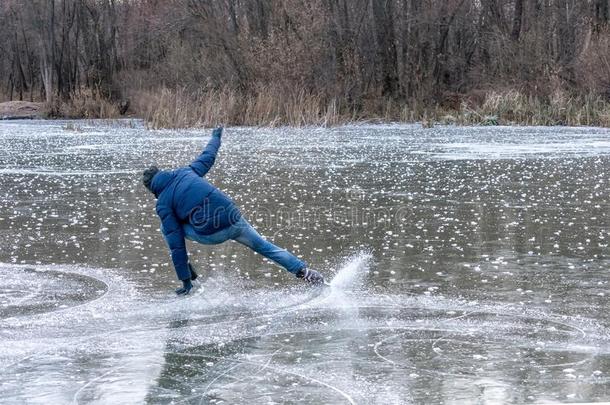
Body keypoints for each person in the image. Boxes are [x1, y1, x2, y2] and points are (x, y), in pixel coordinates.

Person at [143, 127, 324, 295]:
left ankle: (190, 273)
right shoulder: (186, 172)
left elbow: (176, 244)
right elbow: (208, 156)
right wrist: (216, 137)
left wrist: (185, 282)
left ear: (152, 189)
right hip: (233, 217)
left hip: (212, 232)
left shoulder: (163, 203)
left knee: (167, 229)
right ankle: (304, 271)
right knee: (264, 246)